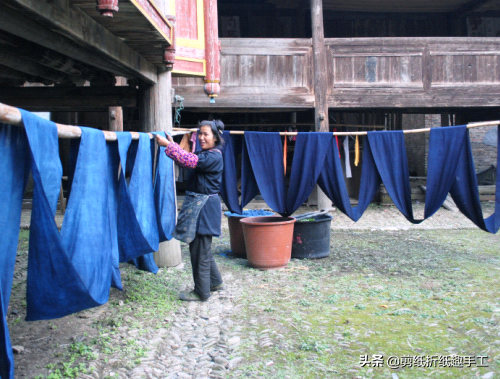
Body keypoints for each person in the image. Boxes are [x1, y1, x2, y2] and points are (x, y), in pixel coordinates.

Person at [155, 120, 225, 301]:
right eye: (199, 133)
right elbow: (189, 157)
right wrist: (172, 145)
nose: (201, 138)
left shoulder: (214, 156)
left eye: (206, 134)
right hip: (201, 205)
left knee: (199, 251)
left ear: (216, 138)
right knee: (203, 248)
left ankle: (201, 292)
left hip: (205, 208)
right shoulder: (206, 153)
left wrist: (169, 146)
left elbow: (189, 160)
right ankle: (215, 282)